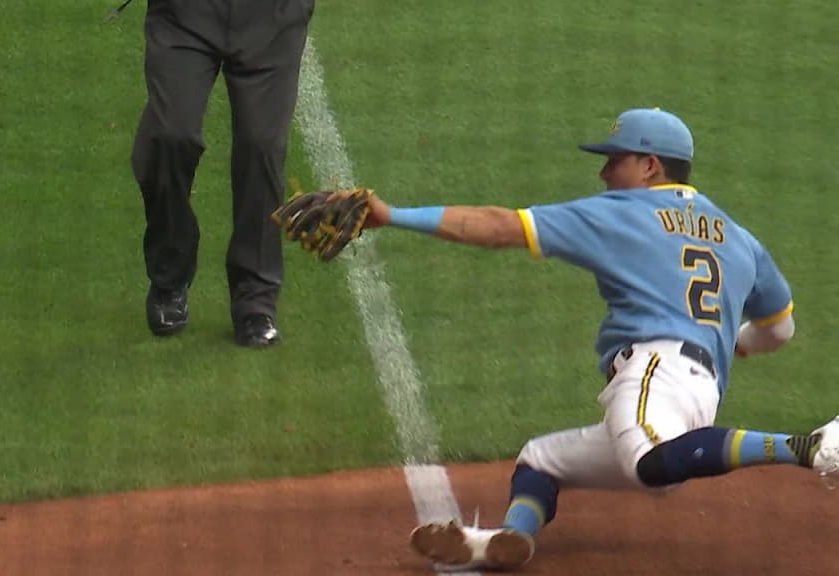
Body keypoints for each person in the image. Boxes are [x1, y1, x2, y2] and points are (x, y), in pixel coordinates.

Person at [354, 108, 838, 571]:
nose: (605, 173)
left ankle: (807, 447)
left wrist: (391, 215)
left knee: (649, 463)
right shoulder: (738, 237)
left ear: (649, 166)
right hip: (699, 392)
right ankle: (507, 540)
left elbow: (500, 227)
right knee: (540, 460)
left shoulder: (623, 213)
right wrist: (734, 341)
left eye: (616, 159)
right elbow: (780, 328)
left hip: (653, 373)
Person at [130, 0, 316, 347]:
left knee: (262, 147)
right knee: (169, 135)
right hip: (185, 14)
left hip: (272, 18)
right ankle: (170, 274)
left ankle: (255, 301)